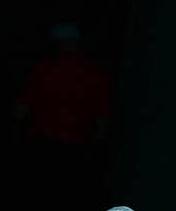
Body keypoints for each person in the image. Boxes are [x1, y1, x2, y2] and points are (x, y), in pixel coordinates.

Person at [14, 22, 113, 211]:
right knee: (67, 196)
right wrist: (96, 146)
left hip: (43, 144)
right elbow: (102, 118)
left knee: (38, 193)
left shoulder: (44, 69)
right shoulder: (94, 74)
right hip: (76, 146)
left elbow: (21, 109)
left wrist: (17, 136)